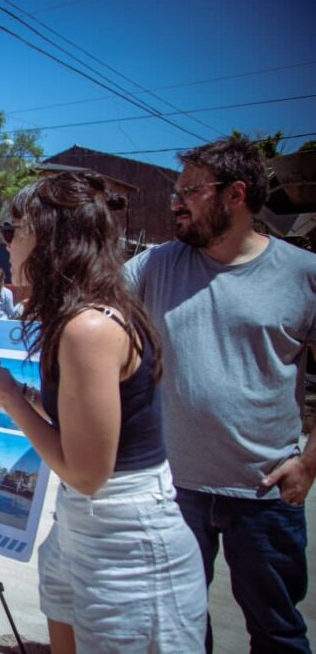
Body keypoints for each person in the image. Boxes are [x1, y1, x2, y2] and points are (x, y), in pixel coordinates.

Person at [0, 171, 206, 652]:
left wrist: (9, 398)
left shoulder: (87, 327)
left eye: (15, 231)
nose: (6, 245)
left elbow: (88, 472)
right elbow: (78, 432)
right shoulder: (76, 318)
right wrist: (16, 391)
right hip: (83, 525)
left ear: (50, 240)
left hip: (126, 541)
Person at [125, 136, 315, 653]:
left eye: (189, 190)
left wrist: (310, 462)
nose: (174, 202)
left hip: (265, 495)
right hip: (174, 491)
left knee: (277, 631)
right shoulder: (156, 264)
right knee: (180, 630)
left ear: (235, 194)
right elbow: (91, 304)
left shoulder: (303, 276)